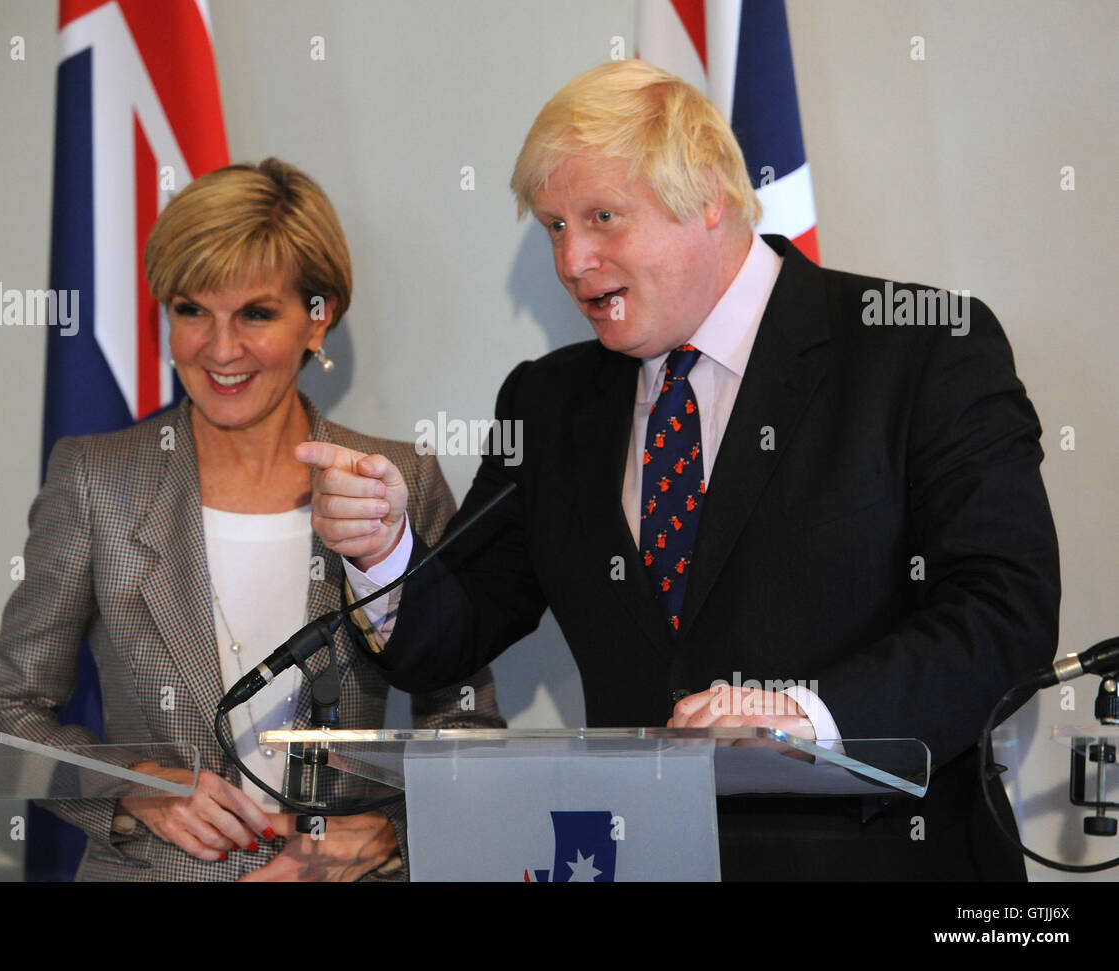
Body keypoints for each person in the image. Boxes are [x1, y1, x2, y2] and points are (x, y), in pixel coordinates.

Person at [303, 61, 1060, 880]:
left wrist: (806, 717)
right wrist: (384, 550)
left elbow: (1004, 611)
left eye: (601, 217)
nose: (572, 260)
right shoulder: (550, 403)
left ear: (708, 197)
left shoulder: (918, 351)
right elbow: (446, 641)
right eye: (553, 226)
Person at [0, 158, 503, 882]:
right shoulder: (96, 478)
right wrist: (135, 785)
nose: (220, 349)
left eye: (256, 313)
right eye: (192, 310)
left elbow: (464, 722)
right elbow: (3, 727)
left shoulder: (393, 480)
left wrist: (387, 831)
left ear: (319, 320)